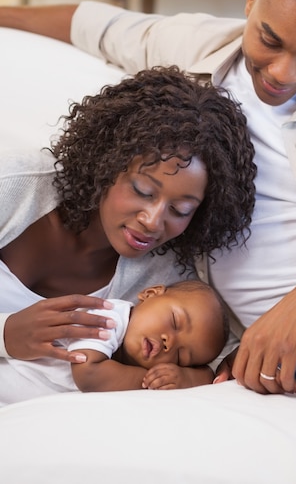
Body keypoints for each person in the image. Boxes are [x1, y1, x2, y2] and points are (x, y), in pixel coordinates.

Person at [1, 0, 296, 406]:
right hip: (240, 352)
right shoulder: (198, 47)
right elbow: (96, 24)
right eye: (270, 40)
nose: (283, 72)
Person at [0, 66, 256, 405]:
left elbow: (208, 364)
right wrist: (6, 334)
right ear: (107, 162)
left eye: (180, 210)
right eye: (142, 190)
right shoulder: (14, 188)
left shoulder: (165, 282)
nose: (152, 221)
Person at [69, 279, 229, 392]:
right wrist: (159, 381)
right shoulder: (108, 317)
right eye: (174, 322)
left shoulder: (142, 360)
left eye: (180, 357)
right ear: (150, 293)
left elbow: (207, 375)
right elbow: (89, 375)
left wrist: (186, 377)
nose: (170, 343)